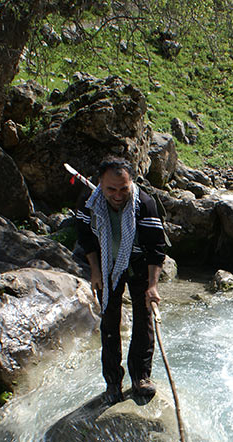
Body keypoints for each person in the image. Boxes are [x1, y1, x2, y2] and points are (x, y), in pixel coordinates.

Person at [75, 157, 166, 403]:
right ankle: (113, 383)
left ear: (131, 184)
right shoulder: (89, 204)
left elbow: (156, 247)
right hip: (107, 263)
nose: (117, 195)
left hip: (137, 262)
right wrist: (95, 271)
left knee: (143, 317)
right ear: (100, 185)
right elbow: (86, 238)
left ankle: (141, 378)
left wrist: (153, 285)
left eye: (123, 189)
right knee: (109, 320)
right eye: (111, 189)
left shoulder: (144, 204)